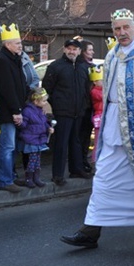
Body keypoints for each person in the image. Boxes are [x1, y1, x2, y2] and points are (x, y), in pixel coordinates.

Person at [60, 8, 134, 248]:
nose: (121, 32)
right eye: (117, 29)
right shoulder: (112, 56)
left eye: (125, 27)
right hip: (114, 127)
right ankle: (90, 230)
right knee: (104, 179)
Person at [43, 39, 91, 186]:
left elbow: (85, 89)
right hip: (63, 112)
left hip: (78, 111)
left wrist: (83, 106)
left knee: (76, 141)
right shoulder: (56, 66)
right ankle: (57, 174)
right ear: (64, 49)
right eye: (69, 48)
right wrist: (54, 106)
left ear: (79, 51)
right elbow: (46, 89)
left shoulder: (82, 67)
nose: (72, 51)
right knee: (61, 143)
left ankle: (76, 169)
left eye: (75, 49)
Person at [0, 24, 29, 193]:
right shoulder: (2, 61)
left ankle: (10, 176)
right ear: (7, 44)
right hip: (9, 113)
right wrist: (16, 111)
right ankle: (5, 180)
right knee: (7, 147)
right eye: (17, 43)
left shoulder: (14, 59)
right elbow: (7, 89)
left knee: (13, 147)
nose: (20, 46)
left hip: (17, 110)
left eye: (20, 42)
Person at [17, 88, 54, 188]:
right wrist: (19, 123)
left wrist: (48, 128)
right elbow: (24, 124)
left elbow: (43, 123)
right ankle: (29, 178)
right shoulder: (28, 111)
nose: (46, 103)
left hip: (38, 139)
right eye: (44, 101)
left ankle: (36, 177)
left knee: (37, 160)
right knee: (32, 160)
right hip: (32, 139)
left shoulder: (41, 111)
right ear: (36, 101)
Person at [78, 39, 96, 172]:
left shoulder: (91, 66)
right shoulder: (82, 67)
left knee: (86, 136)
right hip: (84, 107)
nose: (92, 52)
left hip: (91, 106)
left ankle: (84, 160)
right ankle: (81, 161)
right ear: (83, 52)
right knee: (82, 136)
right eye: (89, 50)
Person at [88, 64, 104, 161]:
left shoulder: (101, 90)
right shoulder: (94, 91)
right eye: (101, 80)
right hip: (98, 115)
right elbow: (102, 97)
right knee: (98, 139)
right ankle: (95, 159)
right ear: (95, 82)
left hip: (102, 115)